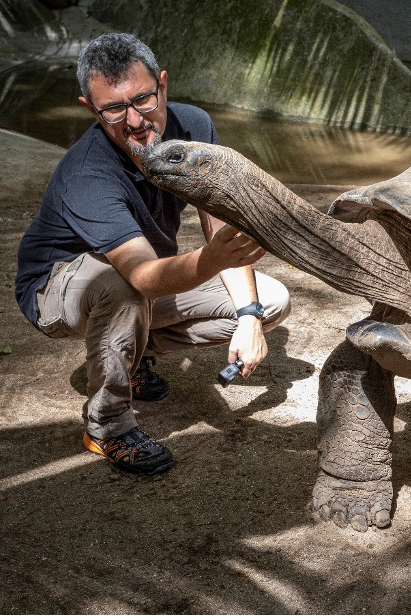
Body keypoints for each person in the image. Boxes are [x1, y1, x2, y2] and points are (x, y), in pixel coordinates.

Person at [14, 33, 292, 475]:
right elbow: (143, 277)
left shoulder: (193, 127)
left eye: (143, 99)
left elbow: (216, 223)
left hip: (132, 278)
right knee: (119, 289)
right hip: (57, 288)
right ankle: (107, 426)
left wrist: (249, 316)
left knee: (270, 300)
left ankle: (132, 353)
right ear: (91, 108)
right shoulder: (88, 173)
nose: (134, 119)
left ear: (162, 84)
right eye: (113, 109)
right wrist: (214, 259)